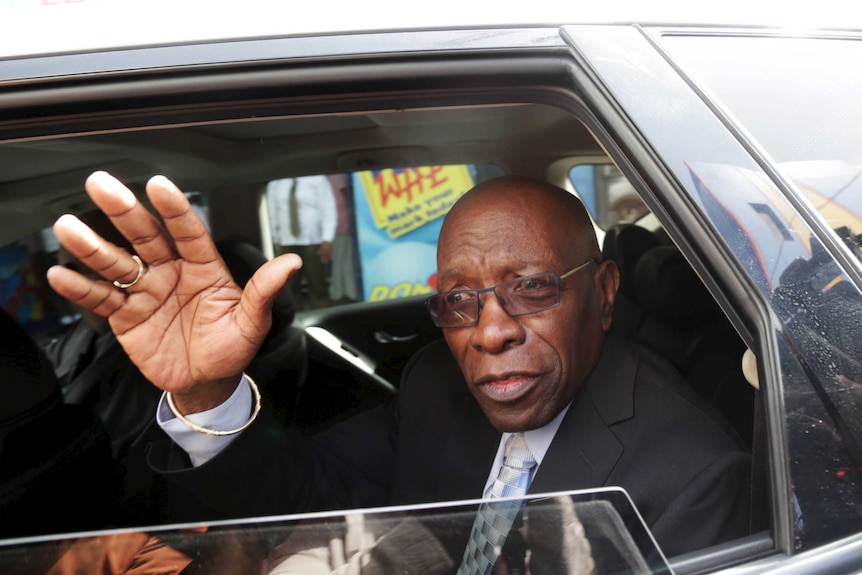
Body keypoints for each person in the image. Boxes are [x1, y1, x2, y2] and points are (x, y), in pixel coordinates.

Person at [46, 171, 751, 564]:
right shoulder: (437, 386)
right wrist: (206, 389)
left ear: (602, 294)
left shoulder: (690, 476)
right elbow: (305, 492)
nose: (492, 330)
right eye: (459, 300)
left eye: (531, 287)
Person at [43, 209, 162, 459]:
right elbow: (44, 363)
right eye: (65, 263)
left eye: (84, 265)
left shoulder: (153, 356)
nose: (68, 276)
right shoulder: (88, 330)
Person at [266, 175, 337, 310]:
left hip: (313, 240)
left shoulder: (318, 179)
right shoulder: (275, 183)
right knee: (289, 286)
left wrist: (327, 239)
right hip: (286, 241)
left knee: (317, 283)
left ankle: (321, 316)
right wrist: (275, 241)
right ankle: (293, 318)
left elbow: (328, 209)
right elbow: (272, 213)